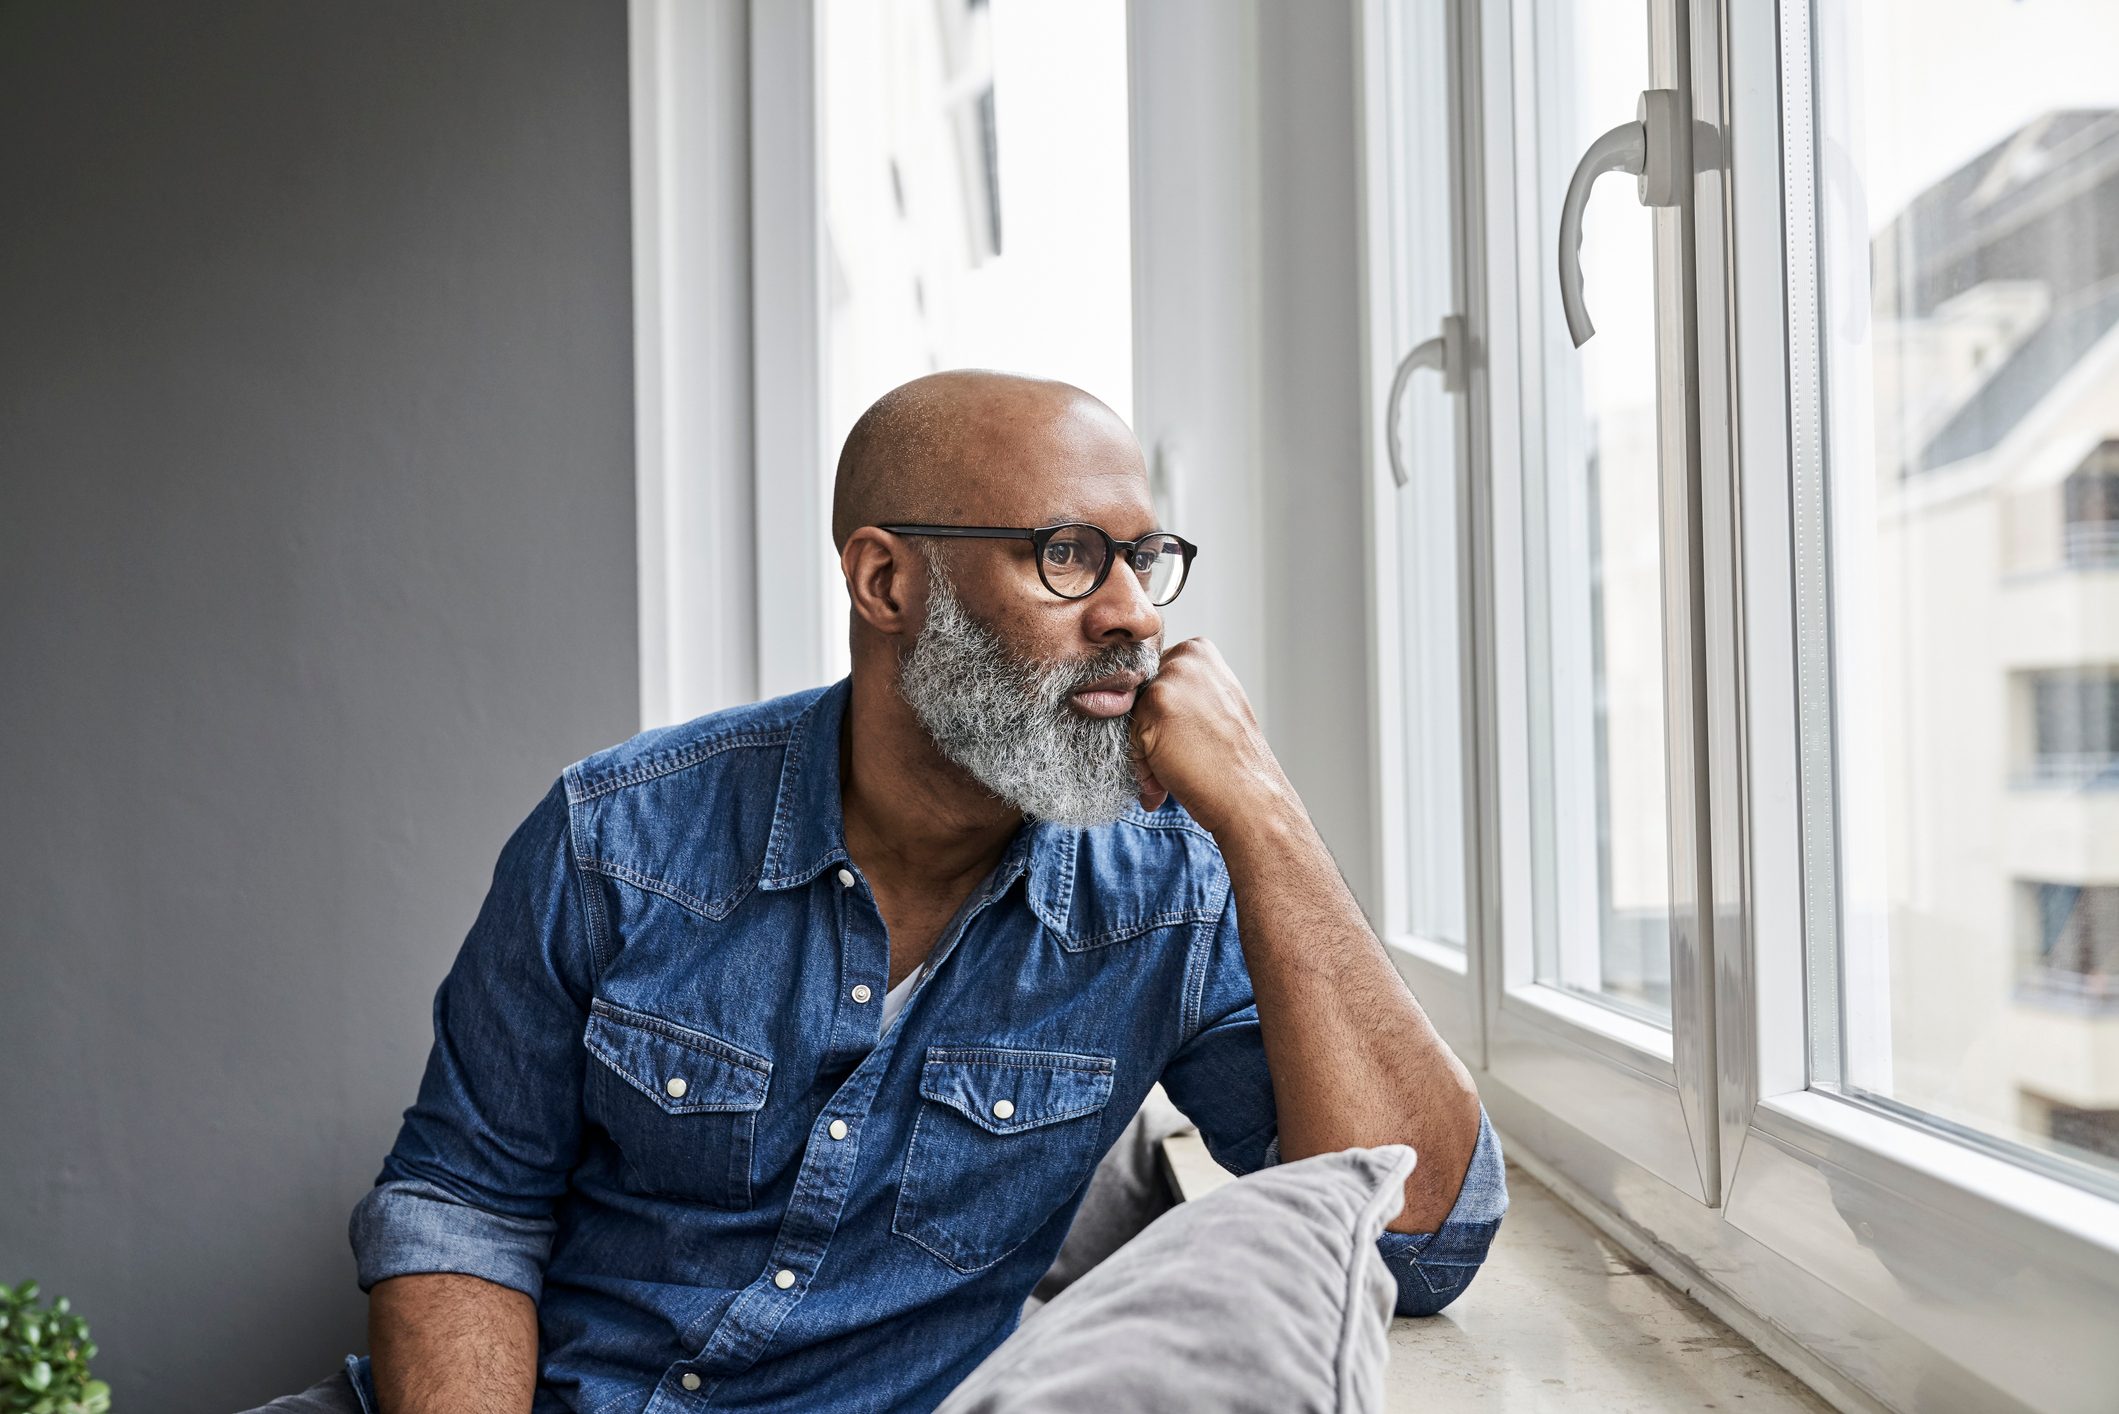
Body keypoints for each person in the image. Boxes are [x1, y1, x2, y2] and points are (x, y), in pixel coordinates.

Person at [255, 370, 1506, 1414]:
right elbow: (463, 1204)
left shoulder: (1167, 893)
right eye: (1069, 556)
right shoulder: (614, 835)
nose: (1132, 615)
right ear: (886, 583)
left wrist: (1264, 813)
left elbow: (1421, 1236)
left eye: (1144, 557)